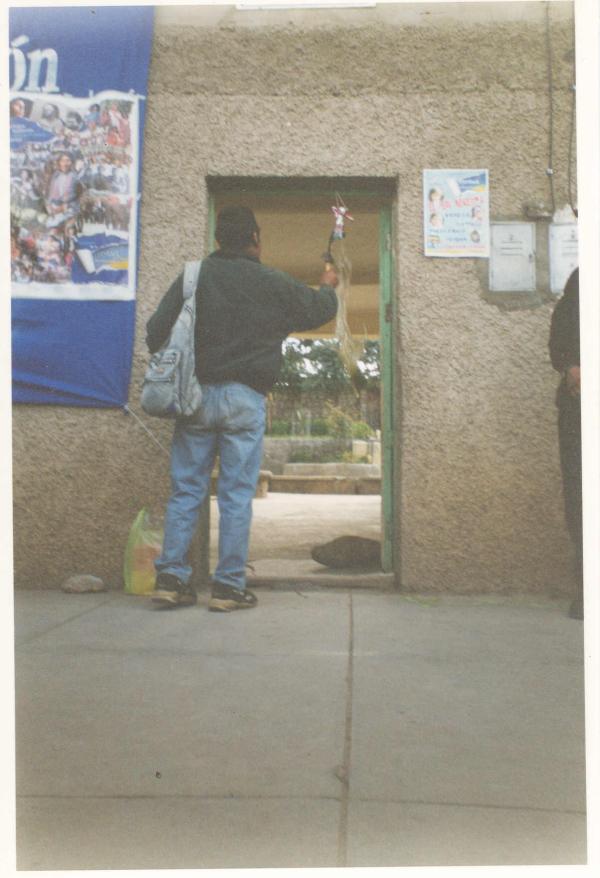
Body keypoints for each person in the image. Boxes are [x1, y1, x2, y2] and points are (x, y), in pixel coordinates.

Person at [146, 205, 339, 612]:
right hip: (245, 399)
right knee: (236, 495)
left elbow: (154, 332)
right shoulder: (272, 282)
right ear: (254, 238)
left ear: (219, 239)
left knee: (187, 490)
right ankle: (228, 588)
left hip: (195, 398)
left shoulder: (194, 276)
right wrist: (327, 286)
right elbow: (319, 310)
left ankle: (171, 580)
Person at [549, 267, 583, 620]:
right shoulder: (579, 285)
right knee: (580, 499)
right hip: (579, 410)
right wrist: (570, 366)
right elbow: (558, 344)